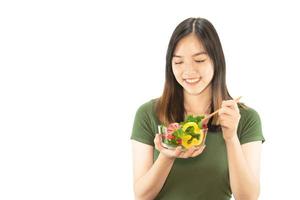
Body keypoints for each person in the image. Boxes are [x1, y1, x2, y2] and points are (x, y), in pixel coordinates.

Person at [131, 17, 265, 200]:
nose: (188, 71)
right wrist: (167, 156)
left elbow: (248, 197)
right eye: (178, 62)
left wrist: (231, 137)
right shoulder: (148, 114)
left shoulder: (245, 118)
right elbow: (142, 196)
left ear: (217, 61)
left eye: (199, 60)